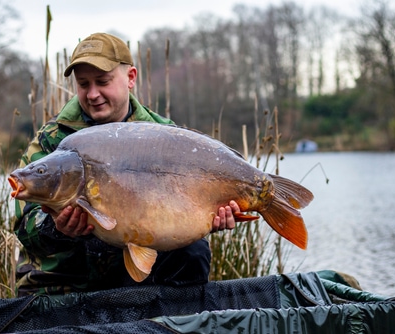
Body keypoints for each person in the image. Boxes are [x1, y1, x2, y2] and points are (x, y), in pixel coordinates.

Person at [13, 32, 240, 296]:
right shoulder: (52, 140)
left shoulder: (163, 134)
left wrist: (211, 215)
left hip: (135, 276)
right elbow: (23, 229)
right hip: (66, 283)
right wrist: (57, 227)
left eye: (102, 81)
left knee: (193, 251)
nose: (93, 93)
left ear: (130, 78)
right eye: (83, 84)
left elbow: (184, 210)